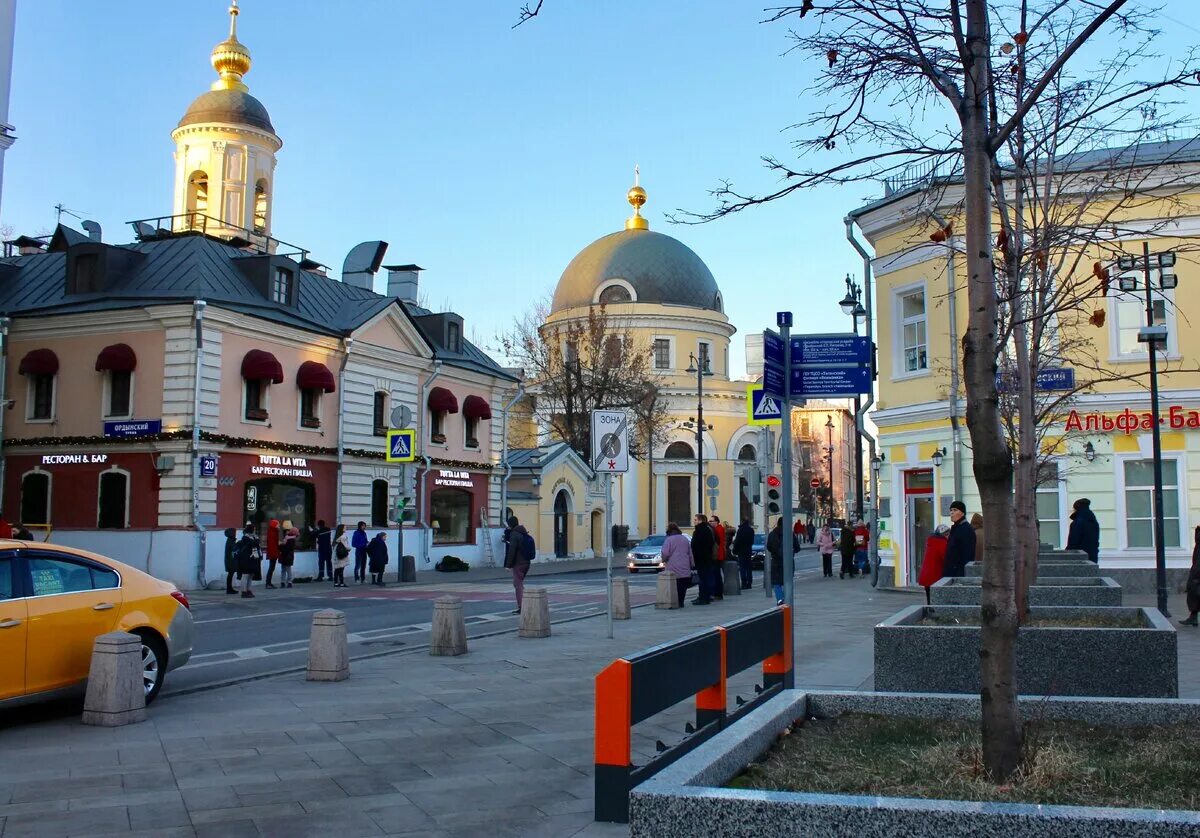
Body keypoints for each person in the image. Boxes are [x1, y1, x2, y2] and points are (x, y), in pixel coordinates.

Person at [764, 518, 798, 605]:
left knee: (776, 582)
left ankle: (780, 599)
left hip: (776, 562)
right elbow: (797, 548)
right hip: (788, 562)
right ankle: (786, 599)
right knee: (787, 581)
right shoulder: (790, 534)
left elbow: (768, 547)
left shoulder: (772, 534)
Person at [503, 515, 532, 614]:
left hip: (519, 563)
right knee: (519, 583)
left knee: (518, 585)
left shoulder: (514, 534)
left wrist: (508, 565)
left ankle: (522, 607)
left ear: (510, 524)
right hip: (526, 562)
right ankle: (524, 604)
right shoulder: (523, 532)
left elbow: (512, 550)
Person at [660, 522, 693, 607]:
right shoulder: (684, 539)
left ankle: (675, 601)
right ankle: (681, 602)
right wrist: (692, 564)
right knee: (683, 586)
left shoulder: (669, 540)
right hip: (685, 566)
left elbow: (665, 552)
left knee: (674, 585)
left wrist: (664, 560)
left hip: (673, 566)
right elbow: (690, 553)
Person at [917, 524, 951, 605]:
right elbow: (946, 559)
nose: (949, 535)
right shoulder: (942, 543)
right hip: (935, 576)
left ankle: (930, 610)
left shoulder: (931, 541)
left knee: (929, 598)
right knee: (936, 602)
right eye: (947, 533)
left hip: (927, 575)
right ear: (944, 534)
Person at [943, 500, 977, 577]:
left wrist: (960, 575)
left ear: (962, 513)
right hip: (952, 571)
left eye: (955, 510)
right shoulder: (956, 528)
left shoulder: (965, 529)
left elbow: (967, 555)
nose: (952, 512)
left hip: (958, 574)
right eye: (951, 510)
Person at [691, 513, 716, 605]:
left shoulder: (700, 531)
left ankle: (703, 597)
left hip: (701, 558)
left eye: (695, 520)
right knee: (705, 578)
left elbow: (696, 546)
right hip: (706, 558)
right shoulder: (707, 530)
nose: (694, 521)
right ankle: (705, 596)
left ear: (700, 520)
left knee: (703, 579)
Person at [1065, 498, 1100, 563]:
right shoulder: (1093, 522)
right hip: (1092, 556)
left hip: (1078, 557)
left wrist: (1066, 554)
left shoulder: (1078, 522)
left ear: (1076, 509)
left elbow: (1073, 542)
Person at [234, 524, 261, 598]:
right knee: (245, 575)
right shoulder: (245, 537)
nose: (255, 530)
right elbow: (253, 544)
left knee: (251, 575)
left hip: (253, 558)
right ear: (251, 530)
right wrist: (256, 539)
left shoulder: (254, 537)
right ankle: (244, 591)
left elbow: (257, 544)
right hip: (246, 558)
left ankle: (249, 590)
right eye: (254, 529)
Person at [1181, 525, 1200, 627]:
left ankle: (1193, 617)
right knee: (1194, 592)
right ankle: (1193, 617)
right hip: (1197, 566)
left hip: (1198, 568)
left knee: (1194, 590)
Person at [732, 517, 755, 590]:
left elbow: (737, 541)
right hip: (748, 550)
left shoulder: (740, 530)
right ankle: (749, 583)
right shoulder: (751, 530)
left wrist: (734, 550)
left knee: (742, 568)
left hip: (741, 551)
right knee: (748, 567)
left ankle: (744, 583)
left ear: (742, 522)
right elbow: (752, 541)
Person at [710, 516, 726, 600]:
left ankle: (718, 593)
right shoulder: (719, 529)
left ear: (716, 522)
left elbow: (717, 543)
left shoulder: (718, 529)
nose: (710, 522)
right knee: (717, 574)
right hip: (719, 555)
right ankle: (718, 593)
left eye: (711, 521)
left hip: (717, 555)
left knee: (716, 575)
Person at [278, 521, 297, 588]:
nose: (286, 532)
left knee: (286, 569)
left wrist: (280, 545)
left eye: (288, 531)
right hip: (287, 556)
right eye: (286, 531)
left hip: (286, 555)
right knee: (285, 569)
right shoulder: (289, 538)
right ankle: (284, 582)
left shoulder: (289, 539)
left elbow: (287, 548)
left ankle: (288, 582)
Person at [264, 519, 281, 588]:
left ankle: (268, 582)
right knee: (271, 567)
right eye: (277, 524)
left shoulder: (274, 531)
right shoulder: (273, 532)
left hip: (273, 552)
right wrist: (275, 553)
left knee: (271, 567)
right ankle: (268, 583)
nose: (279, 525)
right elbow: (272, 544)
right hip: (273, 552)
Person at [223, 527, 239, 594]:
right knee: (230, 574)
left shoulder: (230, 540)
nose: (235, 534)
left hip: (230, 560)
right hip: (230, 560)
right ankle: (229, 589)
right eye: (234, 532)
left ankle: (229, 588)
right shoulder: (231, 541)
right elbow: (234, 549)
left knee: (231, 574)